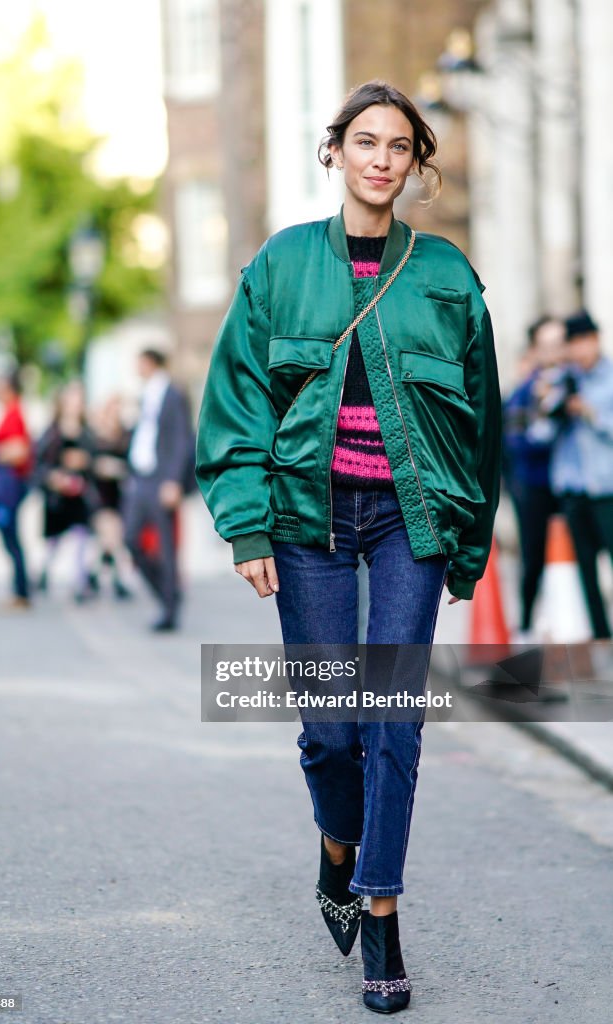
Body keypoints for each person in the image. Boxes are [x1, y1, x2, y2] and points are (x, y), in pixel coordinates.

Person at [196, 80, 501, 1014]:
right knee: (331, 733)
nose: (380, 158)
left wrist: (467, 549)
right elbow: (238, 401)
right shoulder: (281, 267)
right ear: (335, 153)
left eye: (397, 146)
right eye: (363, 141)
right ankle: (338, 847)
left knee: (393, 720)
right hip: (308, 524)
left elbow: (481, 424)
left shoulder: (446, 276)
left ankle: (380, 908)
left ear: (416, 165)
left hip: (410, 522)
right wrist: (247, 524)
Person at [545, 310, 613, 638]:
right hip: (573, 489)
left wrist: (591, 413)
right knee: (585, 569)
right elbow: (539, 434)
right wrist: (550, 404)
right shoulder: (562, 381)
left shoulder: (610, 377)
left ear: (596, 339)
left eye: (584, 341)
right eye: (573, 344)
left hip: (606, 489)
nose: (580, 350)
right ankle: (602, 637)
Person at [123, 348, 196, 632]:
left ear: (150, 363)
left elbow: (181, 439)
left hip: (161, 478)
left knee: (166, 547)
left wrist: (174, 480)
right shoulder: (145, 395)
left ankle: (169, 607)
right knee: (130, 538)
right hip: (140, 478)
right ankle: (167, 592)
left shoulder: (172, 393)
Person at [502, 316, 565, 637]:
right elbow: (515, 442)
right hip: (534, 486)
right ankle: (526, 625)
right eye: (549, 345)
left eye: (560, 343)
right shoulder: (525, 392)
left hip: (572, 487)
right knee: (534, 558)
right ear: (536, 350)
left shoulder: (573, 382)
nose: (557, 351)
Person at [34, 380, 98, 603]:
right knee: (54, 540)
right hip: (58, 496)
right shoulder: (52, 432)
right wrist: (54, 477)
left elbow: (94, 459)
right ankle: (43, 571)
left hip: (79, 495)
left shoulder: (86, 432)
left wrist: (85, 462)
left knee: (81, 537)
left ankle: (80, 582)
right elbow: (40, 464)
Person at [0, 369, 33, 610]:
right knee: (11, 538)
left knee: (11, 538)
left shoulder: (14, 413)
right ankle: (20, 590)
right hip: (9, 484)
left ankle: (21, 592)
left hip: (9, 486)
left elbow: (20, 450)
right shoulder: (10, 412)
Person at [87, 395, 134, 600]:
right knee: (111, 536)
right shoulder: (95, 437)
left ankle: (94, 574)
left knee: (110, 540)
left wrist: (119, 469)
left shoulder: (126, 436)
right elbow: (88, 463)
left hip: (119, 495)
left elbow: (133, 465)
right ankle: (115, 580)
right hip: (100, 495)